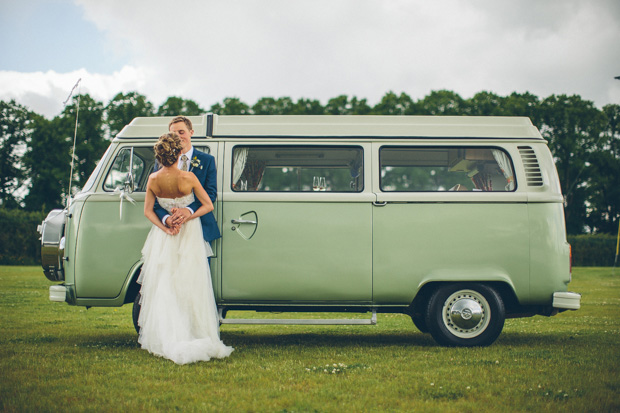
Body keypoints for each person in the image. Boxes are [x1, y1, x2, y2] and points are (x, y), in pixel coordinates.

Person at [138, 132, 233, 364]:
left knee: (166, 283)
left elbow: (148, 211)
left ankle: (167, 336)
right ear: (179, 153)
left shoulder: (153, 181)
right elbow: (208, 205)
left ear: (159, 156)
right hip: (189, 234)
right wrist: (187, 217)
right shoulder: (188, 178)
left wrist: (166, 224)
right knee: (191, 283)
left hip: (165, 237)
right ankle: (195, 333)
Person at [154, 116, 221, 246]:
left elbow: (211, 194)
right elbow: (155, 197)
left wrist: (188, 211)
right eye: (173, 133)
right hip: (169, 229)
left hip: (199, 225)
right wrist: (167, 219)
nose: (178, 137)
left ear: (191, 132)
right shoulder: (161, 163)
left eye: (181, 132)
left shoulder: (207, 160)